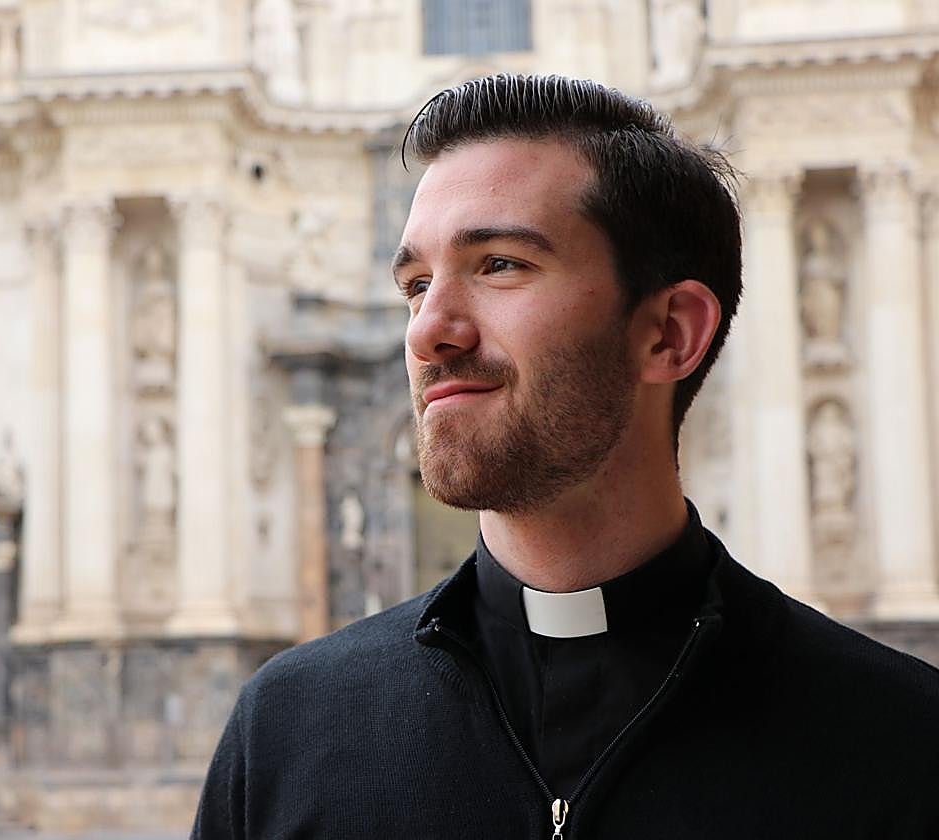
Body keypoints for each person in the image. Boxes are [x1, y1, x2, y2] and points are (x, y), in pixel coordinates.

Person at [192, 74, 939, 838]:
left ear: (669, 333)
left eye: (500, 264)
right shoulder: (283, 732)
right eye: (416, 284)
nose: (426, 331)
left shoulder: (904, 747)